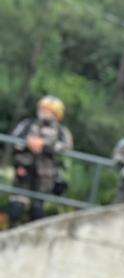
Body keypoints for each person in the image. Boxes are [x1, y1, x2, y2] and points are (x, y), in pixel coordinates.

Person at [8, 95, 72, 226]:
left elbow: (66, 147)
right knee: (16, 209)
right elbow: (14, 139)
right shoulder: (28, 124)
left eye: (48, 110)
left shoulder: (61, 131)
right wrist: (28, 142)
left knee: (37, 212)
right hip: (24, 171)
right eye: (43, 109)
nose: (44, 112)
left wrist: (45, 144)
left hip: (46, 176)